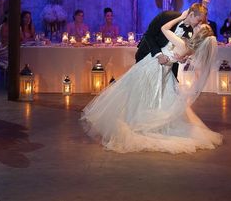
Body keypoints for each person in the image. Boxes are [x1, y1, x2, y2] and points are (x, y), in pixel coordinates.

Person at [81, 8, 222, 153]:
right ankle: (144, 123)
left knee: (141, 93)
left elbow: (164, 29)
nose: (198, 25)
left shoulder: (185, 39)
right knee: (146, 95)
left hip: (156, 67)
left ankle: (138, 124)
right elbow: (151, 35)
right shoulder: (189, 45)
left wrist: (180, 18)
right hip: (157, 61)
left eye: (200, 25)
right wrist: (177, 56)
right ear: (192, 15)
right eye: (199, 22)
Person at [136, 2, 208, 78]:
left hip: (168, 69)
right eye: (199, 20)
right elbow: (149, 35)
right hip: (147, 56)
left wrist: (182, 58)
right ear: (191, 14)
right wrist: (159, 55)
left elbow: (182, 51)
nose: (200, 24)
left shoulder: (192, 31)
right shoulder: (167, 16)